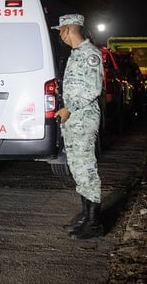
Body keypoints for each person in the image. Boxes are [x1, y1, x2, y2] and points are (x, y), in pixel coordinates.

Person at [52, 14, 104, 239]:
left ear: (67, 29)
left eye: (60, 31)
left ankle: (95, 223)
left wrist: (69, 108)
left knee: (86, 168)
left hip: (83, 117)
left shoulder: (90, 54)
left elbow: (93, 89)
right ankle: (86, 216)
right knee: (77, 167)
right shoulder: (75, 54)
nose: (60, 36)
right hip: (73, 118)